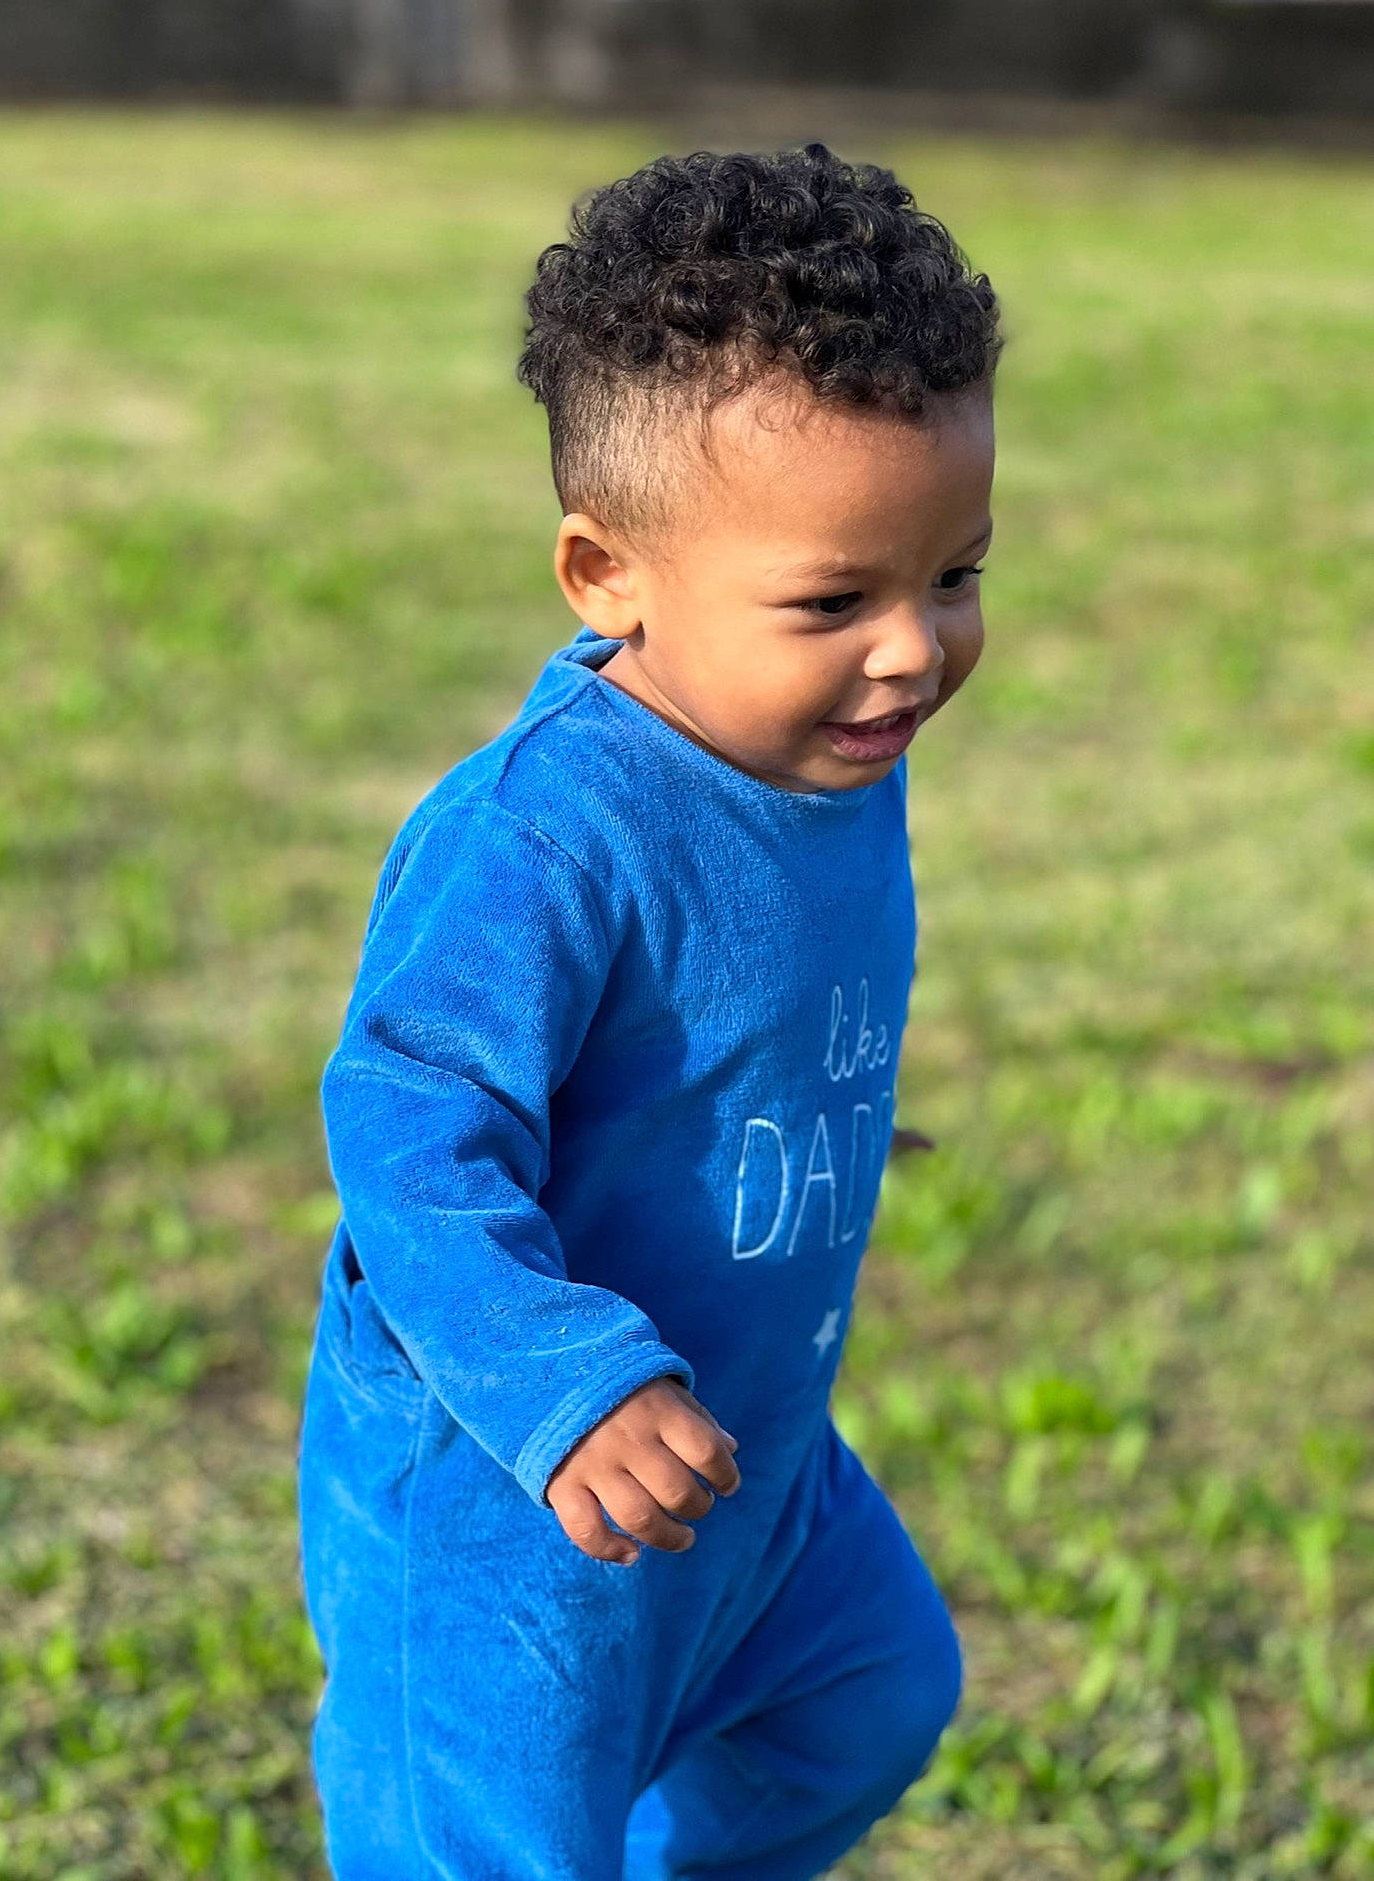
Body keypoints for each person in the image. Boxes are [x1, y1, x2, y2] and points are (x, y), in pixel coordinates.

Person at [298, 141, 1002, 1881]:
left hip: (754, 1462)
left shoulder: (832, 747)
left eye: (956, 575)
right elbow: (403, 1130)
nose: (911, 651)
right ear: (606, 573)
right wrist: (567, 1384)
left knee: (873, 1696)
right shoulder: (541, 837)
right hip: (522, 1503)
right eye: (833, 600)